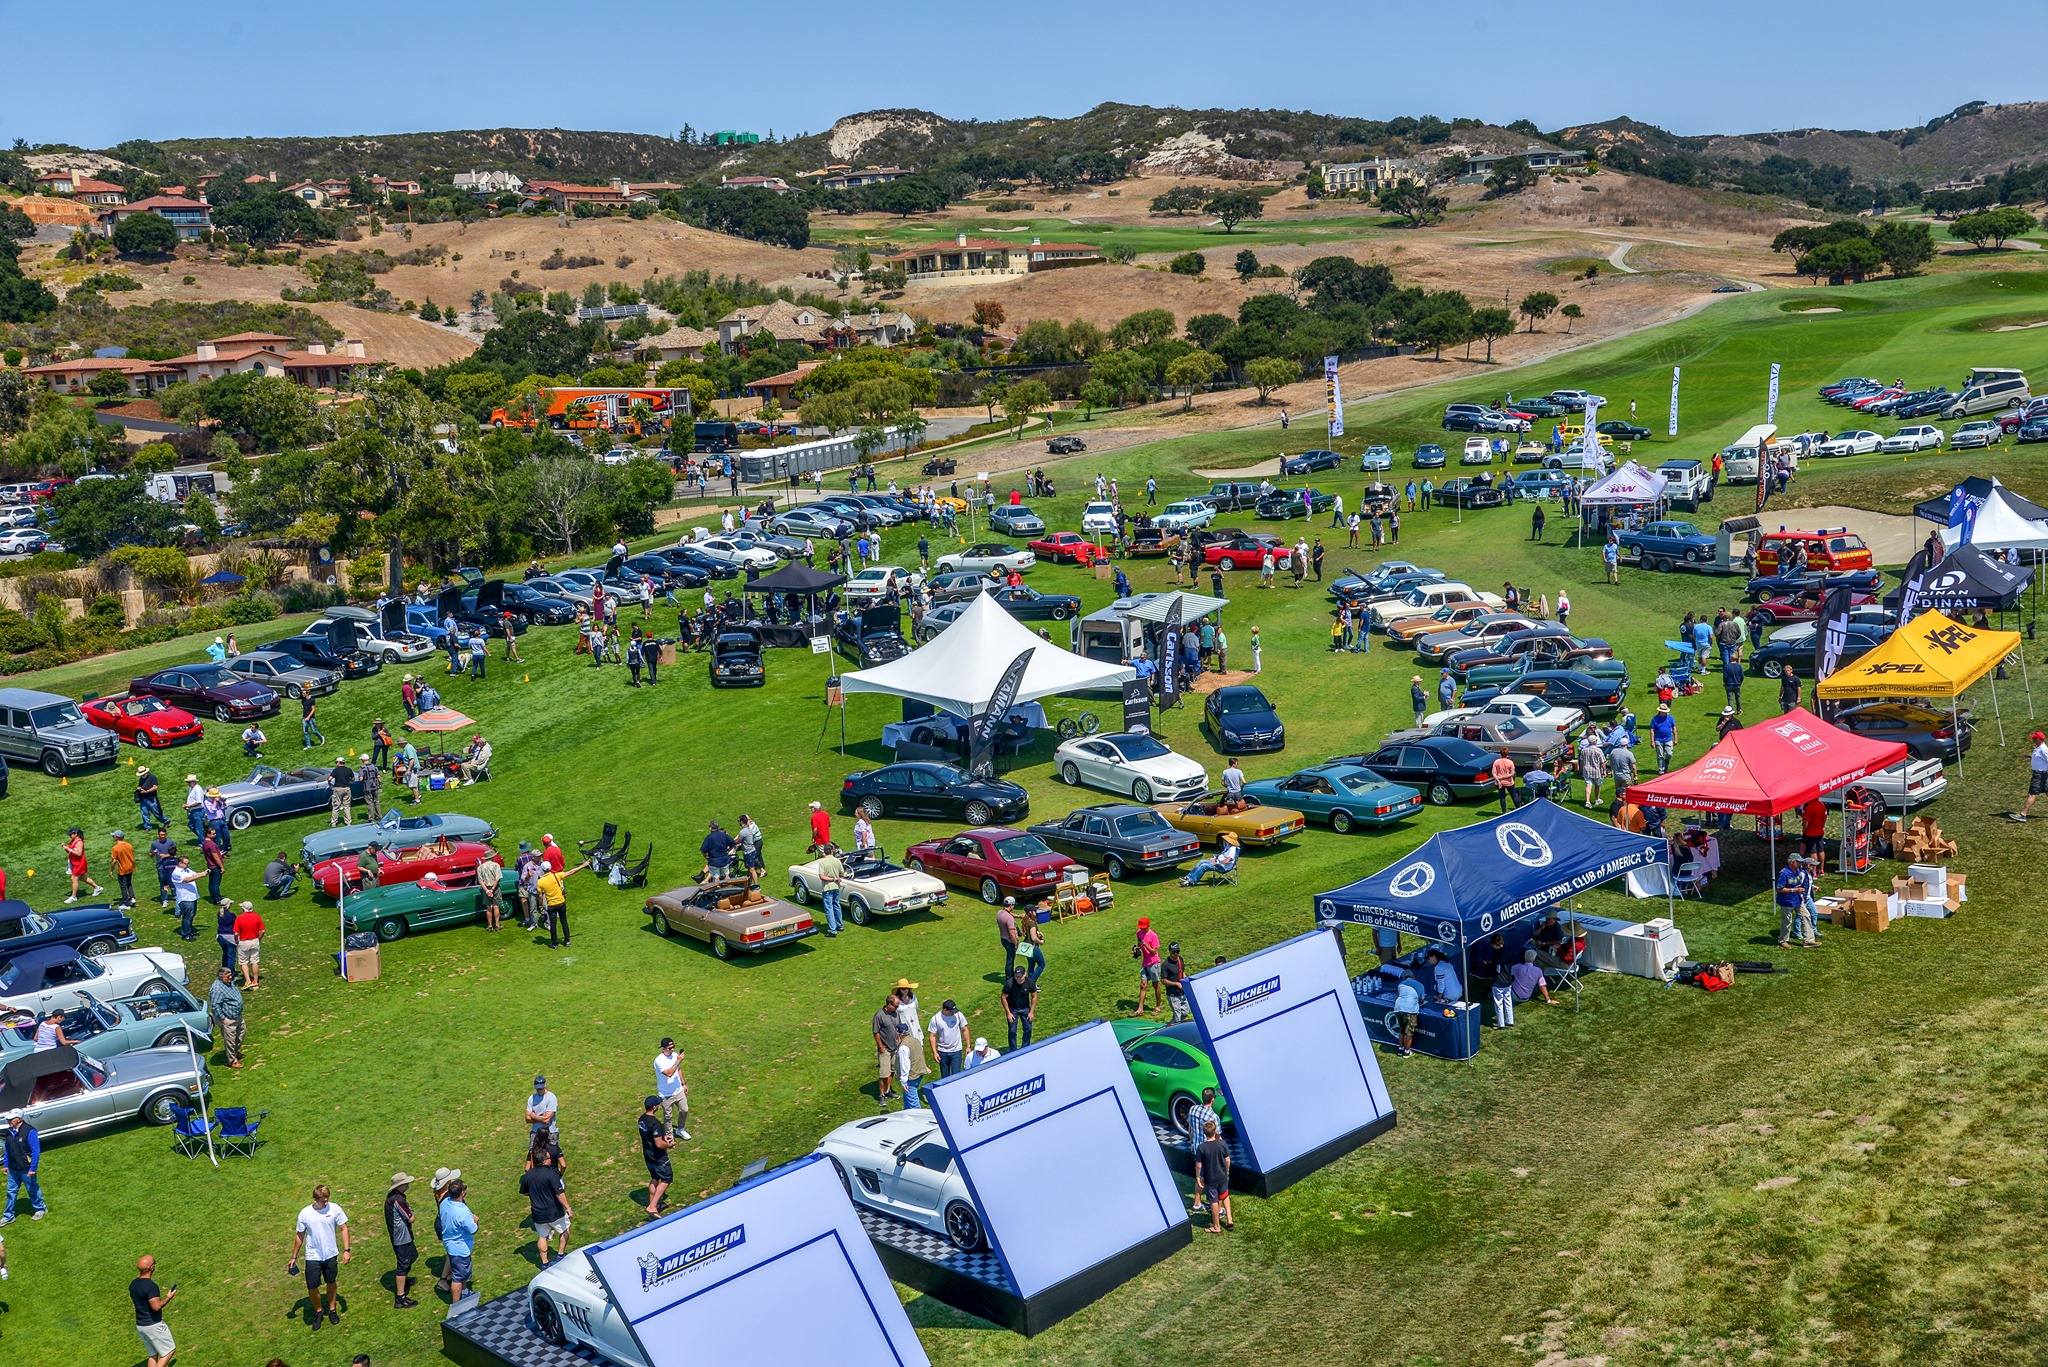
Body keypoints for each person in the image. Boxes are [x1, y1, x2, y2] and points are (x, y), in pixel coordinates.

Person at [289, 1183, 351, 1328]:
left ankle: (332, 1309)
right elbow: (300, 1235)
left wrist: (347, 1250)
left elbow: (343, 1228)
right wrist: (293, 1257)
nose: (326, 1203)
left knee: (331, 1282)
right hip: (313, 1256)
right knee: (312, 1287)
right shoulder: (305, 1213)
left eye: (327, 1199)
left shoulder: (335, 1209)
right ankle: (318, 1311)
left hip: (330, 1254)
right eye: (323, 1200)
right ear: (315, 1199)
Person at [521, 1145, 573, 1267]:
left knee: (542, 1236)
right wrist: (568, 1207)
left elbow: (524, 1192)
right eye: (549, 1158)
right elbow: (559, 1193)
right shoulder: (551, 1174)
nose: (551, 1160)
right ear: (544, 1160)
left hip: (538, 1213)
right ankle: (560, 1255)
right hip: (554, 1212)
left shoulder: (528, 1176)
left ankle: (545, 1263)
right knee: (565, 1230)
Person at [132, 1254, 177, 1367]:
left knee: (153, 1355)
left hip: (141, 1325)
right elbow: (156, 1307)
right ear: (151, 1267)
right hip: (153, 1325)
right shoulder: (151, 1286)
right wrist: (168, 1297)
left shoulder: (133, 1284)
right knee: (169, 1351)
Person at [438, 1179, 477, 1306]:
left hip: (449, 1243)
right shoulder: (463, 1212)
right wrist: (475, 1220)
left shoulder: (444, 1203)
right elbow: (473, 1230)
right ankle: (456, 1306)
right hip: (460, 1248)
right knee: (458, 1278)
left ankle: (465, 1292)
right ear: (462, 1194)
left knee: (460, 1273)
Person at [385, 1174, 420, 1309]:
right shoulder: (399, 1199)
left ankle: (404, 1280)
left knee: (412, 1256)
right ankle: (400, 1298)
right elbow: (411, 1218)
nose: (407, 1185)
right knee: (403, 1265)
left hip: (397, 1235)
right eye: (405, 1183)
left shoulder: (391, 1196)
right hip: (401, 1237)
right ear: (399, 1186)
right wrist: (411, 1212)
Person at [638, 1095, 676, 1216]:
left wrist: (663, 1137)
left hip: (648, 1155)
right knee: (666, 1178)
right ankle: (652, 1206)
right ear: (654, 1107)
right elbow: (659, 1144)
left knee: (655, 1178)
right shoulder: (655, 1123)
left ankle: (654, 1204)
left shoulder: (642, 1119)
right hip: (658, 1157)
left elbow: (651, 1136)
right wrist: (669, 1145)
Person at [536, 860, 586, 948]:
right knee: (564, 921)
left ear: (543, 870)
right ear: (550, 868)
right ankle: (567, 941)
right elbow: (571, 872)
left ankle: (555, 943)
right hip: (561, 902)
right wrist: (583, 865)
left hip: (551, 905)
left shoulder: (540, 882)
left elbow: (540, 896)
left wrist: (540, 906)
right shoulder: (557, 875)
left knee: (553, 924)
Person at [1777, 854, 1819, 948]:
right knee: (1787, 921)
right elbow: (1779, 889)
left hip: (1798, 899)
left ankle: (1809, 940)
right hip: (1786, 900)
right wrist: (1793, 890)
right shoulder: (1784, 873)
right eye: (1799, 861)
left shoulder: (1799, 871)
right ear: (1792, 862)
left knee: (1806, 915)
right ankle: (1783, 940)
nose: (1801, 863)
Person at [208, 967, 245, 1068]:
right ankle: (232, 1061)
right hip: (228, 1019)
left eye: (231, 975)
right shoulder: (217, 989)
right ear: (221, 977)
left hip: (237, 1016)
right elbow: (215, 1006)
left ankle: (235, 1052)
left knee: (241, 1034)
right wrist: (223, 1018)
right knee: (230, 1040)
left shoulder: (229, 982)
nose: (231, 977)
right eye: (228, 976)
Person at [871, 991, 902, 1108]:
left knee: (892, 1071)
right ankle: (882, 1095)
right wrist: (881, 1047)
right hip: (885, 1050)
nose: (897, 1008)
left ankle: (888, 1090)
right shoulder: (879, 1016)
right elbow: (876, 1032)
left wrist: (899, 1040)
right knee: (884, 1073)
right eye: (895, 1006)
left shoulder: (895, 1013)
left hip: (895, 1047)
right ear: (889, 1005)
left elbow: (898, 1027)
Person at [653, 1037, 689, 1137]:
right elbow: (668, 1073)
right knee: (668, 1117)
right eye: (670, 1048)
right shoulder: (659, 1061)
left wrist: (683, 1084)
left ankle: (680, 1129)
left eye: (673, 1047)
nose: (672, 1049)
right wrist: (678, 1061)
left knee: (684, 1110)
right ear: (663, 1048)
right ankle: (669, 1135)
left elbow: (679, 1070)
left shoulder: (675, 1055)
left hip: (678, 1090)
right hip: (666, 1094)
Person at [61, 827, 102, 905]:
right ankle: (97, 888)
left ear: (75, 834)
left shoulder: (79, 842)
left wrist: (68, 849)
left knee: (74, 878)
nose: (69, 836)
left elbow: (79, 853)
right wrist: (65, 848)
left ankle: (73, 897)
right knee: (83, 878)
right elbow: (70, 851)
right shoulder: (73, 841)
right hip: (75, 862)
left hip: (79, 863)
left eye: (70, 834)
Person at [1132, 916, 1164, 1014]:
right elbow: (1139, 943)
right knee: (1143, 985)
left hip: (1154, 963)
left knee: (1155, 985)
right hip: (1145, 963)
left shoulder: (1153, 936)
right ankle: (1140, 1009)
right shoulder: (1139, 933)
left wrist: (1146, 945)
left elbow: (1154, 952)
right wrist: (1137, 948)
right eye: (1141, 927)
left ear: (1148, 926)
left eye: (1143, 927)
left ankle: (1158, 1007)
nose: (1142, 929)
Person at [1002, 965, 1037, 1050]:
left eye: (1020, 976)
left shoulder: (1030, 982)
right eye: (1016, 976)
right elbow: (1003, 997)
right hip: (1013, 1009)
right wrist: (1008, 1013)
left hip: (1025, 1008)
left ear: (1024, 974)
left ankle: (1025, 1048)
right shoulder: (1009, 984)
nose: (1018, 978)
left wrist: (1031, 1012)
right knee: (1012, 1031)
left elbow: (1034, 996)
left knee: (1028, 1029)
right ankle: (1013, 1051)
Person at [930, 999, 967, 1077]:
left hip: (956, 1051)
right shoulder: (936, 1019)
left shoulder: (959, 1015)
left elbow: (965, 1030)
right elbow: (932, 1036)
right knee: (945, 1077)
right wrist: (935, 1052)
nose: (954, 1013)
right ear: (945, 1010)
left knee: (956, 1076)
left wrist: (968, 1046)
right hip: (943, 1052)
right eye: (951, 1012)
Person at [2018, 731, 2048, 821]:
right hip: (2043, 775)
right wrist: (2031, 757)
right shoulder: (2039, 747)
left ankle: (2023, 815)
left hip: (2039, 775)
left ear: (2039, 739)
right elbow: (2040, 758)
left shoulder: (2043, 749)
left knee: (2032, 794)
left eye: (2034, 738)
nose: (2032, 739)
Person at [1391, 967, 1421, 1057]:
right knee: (1408, 1032)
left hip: (1398, 1008)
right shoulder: (1419, 985)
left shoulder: (1400, 985)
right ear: (1413, 976)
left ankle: (1400, 1049)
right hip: (1409, 1010)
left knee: (1401, 1030)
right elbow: (1422, 1000)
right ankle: (1407, 1052)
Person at [475, 848, 503, 931]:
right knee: (496, 905)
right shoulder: (496, 865)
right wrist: (492, 889)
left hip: (485, 888)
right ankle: (497, 925)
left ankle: (490, 925)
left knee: (488, 907)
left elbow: (480, 881)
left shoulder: (480, 868)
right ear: (492, 857)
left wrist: (487, 891)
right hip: (495, 887)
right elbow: (497, 879)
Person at [1162, 942, 1191, 1022]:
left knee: (1185, 1012)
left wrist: (1186, 978)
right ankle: (1174, 1029)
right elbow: (1163, 980)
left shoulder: (1180, 959)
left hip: (1182, 992)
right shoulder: (1166, 965)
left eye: (1177, 951)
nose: (1175, 954)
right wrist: (1176, 983)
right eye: (1173, 952)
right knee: (1177, 1017)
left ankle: (1170, 1025)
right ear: (1169, 952)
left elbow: (1182, 972)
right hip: (1173, 994)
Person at [525, 1075, 559, 1140]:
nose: (539, 1090)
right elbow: (527, 1119)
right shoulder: (532, 1098)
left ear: (545, 1084)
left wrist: (533, 1115)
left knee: (551, 1150)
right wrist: (541, 1117)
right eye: (538, 1088)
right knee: (532, 1150)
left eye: (541, 1088)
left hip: (550, 1133)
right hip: (535, 1133)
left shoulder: (551, 1098)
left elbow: (546, 1120)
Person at [997, 897, 1020, 980]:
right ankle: (1009, 977)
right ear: (1011, 905)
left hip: (1003, 939)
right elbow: (1012, 933)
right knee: (1010, 960)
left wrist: (1018, 916)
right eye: (1013, 905)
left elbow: (1009, 914)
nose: (1013, 907)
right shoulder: (1009, 919)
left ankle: (1009, 975)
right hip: (1009, 941)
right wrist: (1016, 944)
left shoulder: (999, 913)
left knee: (1009, 958)